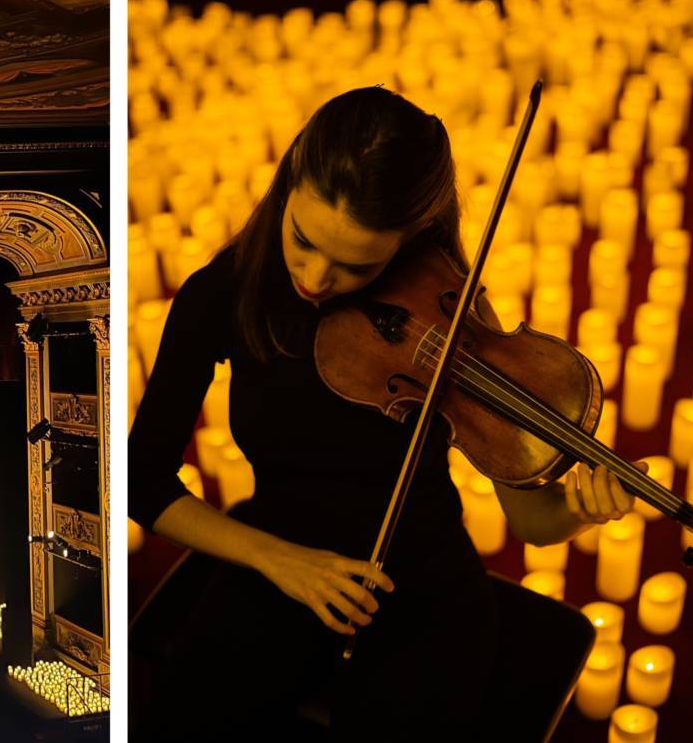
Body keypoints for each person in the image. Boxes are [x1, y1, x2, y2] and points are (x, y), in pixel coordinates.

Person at [128, 86, 642, 741]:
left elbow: (530, 523)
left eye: (356, 264)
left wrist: (577, 508)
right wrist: (280, 560)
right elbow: (142, 481)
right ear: (289, 183)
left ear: (409, 238)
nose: (315, 278)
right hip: (274, 556)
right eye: (304, 241)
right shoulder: (222, 293)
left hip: (424, 587)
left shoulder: (446, 308)